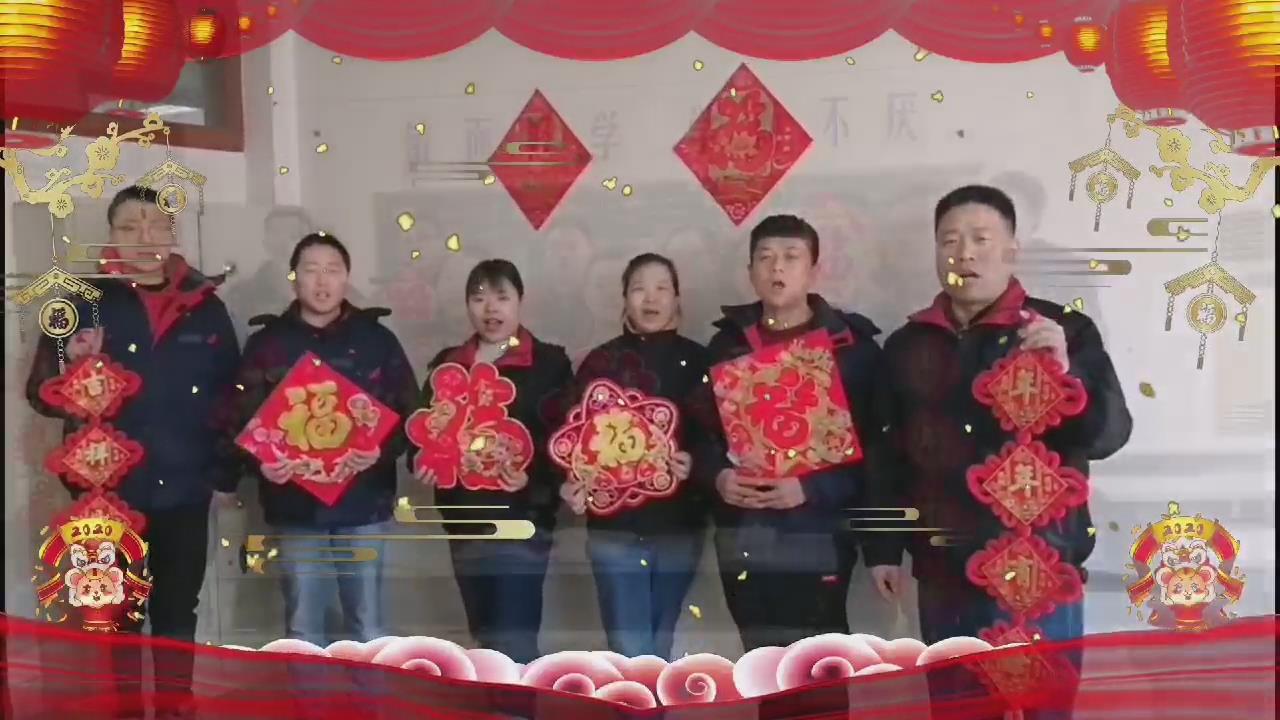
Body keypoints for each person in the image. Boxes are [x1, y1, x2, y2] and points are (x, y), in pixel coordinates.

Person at [864, 185, 1132, 716]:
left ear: (1012, 250)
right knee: (956, 709)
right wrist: (881, 548)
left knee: (1044, 709)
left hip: (1039, 572)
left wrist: (1066, 374)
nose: (964, 253)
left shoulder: (1061, 330)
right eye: (949, 240)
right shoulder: (906, 345)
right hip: (943, 570)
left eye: (981, 238)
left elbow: (1109, 435)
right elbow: (884, 456)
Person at [25, 185, 241, 718]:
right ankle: (126, 711)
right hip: (108, 492)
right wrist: (74, 375)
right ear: (112, 236)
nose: (144, 237)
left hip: (187, 485)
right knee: (117, 613)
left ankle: (174, 708)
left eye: (156, 225)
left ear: (172, 234)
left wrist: (223, 475)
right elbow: (40, 391)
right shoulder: (81, 302)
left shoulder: (206, 307)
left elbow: (234, 398)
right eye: (129, 227)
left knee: (178, 609)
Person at [695, 214, 888, 651]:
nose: (777, 267)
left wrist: (811, 488)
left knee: (821, 661)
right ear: (750, 272)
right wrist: (718, 477)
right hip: (745, 533)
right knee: (760, 660)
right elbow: (699, 436)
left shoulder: (852, 347)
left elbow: (879, 452)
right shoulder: (727, 346)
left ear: (814, 270)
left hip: (819, 532)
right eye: (765, 258)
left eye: (790, 256)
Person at [220, 233, 419, 648]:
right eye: (311, 270)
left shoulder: (376, 340)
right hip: (295, 504)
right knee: (302, 624)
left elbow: (410, 414)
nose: (322, 281)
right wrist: (260, 463)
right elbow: (239, 418)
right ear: (294, 278)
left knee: (367, 624)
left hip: (364, 500)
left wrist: (380, 450)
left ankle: (368, 692)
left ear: (347, 277)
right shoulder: (268, 343)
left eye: (333, 270)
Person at [414, 259, 572, 664]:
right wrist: (423, 460)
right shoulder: (448, 365)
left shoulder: (549, 364)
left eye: (502, 297)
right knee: (483, 636)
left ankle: (519, 699)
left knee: (514, 639)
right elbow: (424, 429)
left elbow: (567, 440)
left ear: (520, 301)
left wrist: (531, 476)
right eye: (479, 298)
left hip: (522, 519)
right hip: (464, 518)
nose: (491, 308)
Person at [563, 253, 713, 660]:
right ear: (624, 298)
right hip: (614, 527)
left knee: (660, 644)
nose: (651, 298)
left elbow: (720, 438)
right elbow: (570, 438)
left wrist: (695, 462)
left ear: (677, 298)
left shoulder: (700, 361)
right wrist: (570, 482)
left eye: (662, 288)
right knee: (628, 647)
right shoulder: (599, 363)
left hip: (680, 523)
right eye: (639, 288)